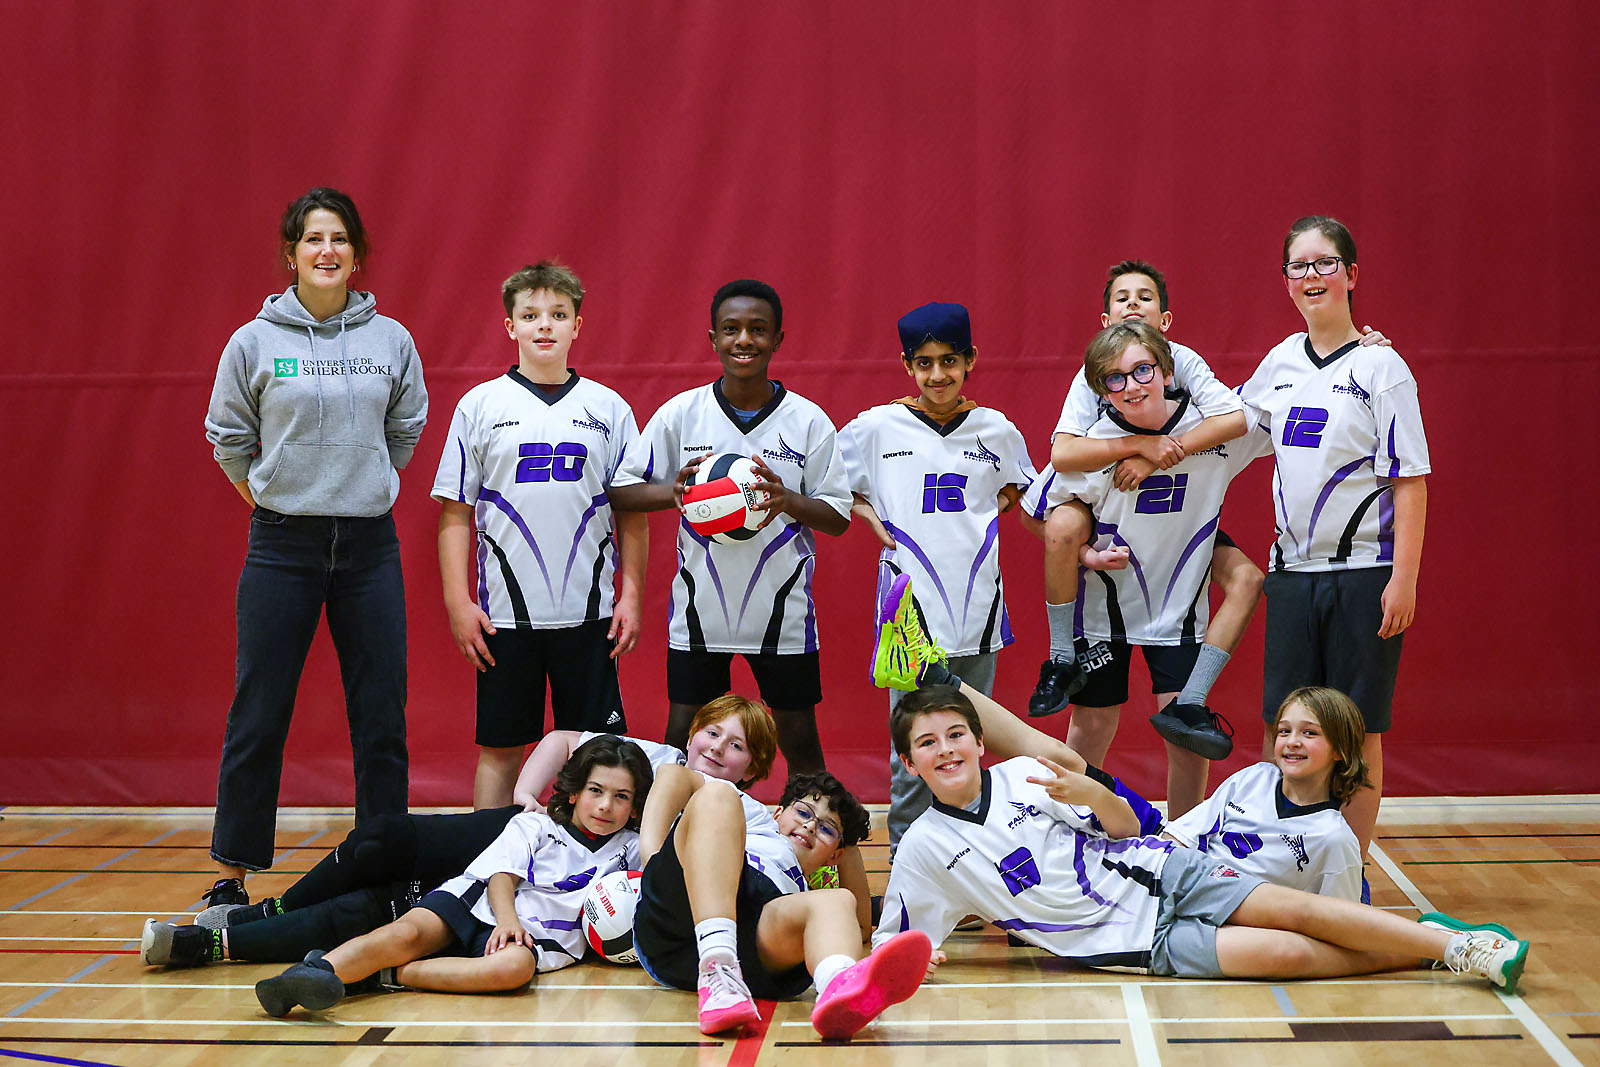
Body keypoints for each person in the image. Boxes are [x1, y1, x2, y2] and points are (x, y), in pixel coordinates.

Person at [876, 685, 1527, 992]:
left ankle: (1462, 945)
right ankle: (1425, 946)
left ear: (979, 740)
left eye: (956, 734)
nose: (946, 749)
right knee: (1289, 957)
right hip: (1124, 942)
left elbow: (1129, 827)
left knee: (1298, 910)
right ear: (909, 763)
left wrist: (1097, 797)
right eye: (927, 743)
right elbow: (893, 943)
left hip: (1162, 870)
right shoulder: (923, 849)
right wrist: (907, 957)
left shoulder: (1024, 774)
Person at [202, 186, 428, 910]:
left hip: (369, 549)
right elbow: (229, 438)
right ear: (292, 254)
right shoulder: (254, 341)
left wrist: (367, 486)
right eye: (312, 239)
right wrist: (276, 501)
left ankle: (384, 867)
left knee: (381, 714)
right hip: (281, 548)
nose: (326, 250)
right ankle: (232, 875)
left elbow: (407, 425)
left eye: (338, 239)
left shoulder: (389, 339)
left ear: (356, 255)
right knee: (259, 709)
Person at [136, 716, 724, 968]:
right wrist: (523, 794)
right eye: (715, 732)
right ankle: (269, 910)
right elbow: (564, 738)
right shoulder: (653, 758)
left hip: (549, 890)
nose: (720, 750)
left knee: (373, 908)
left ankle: (213, 943)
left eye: (739, 747)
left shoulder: (731, 810)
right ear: (694, 730)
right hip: (525, 839)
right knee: (383, 838)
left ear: (753, 771)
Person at [1016, 321, 1271, 817]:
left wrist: (1358, 349)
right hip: (1103, 615)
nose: (1131, 386)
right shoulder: (1095, 444)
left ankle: (1180, 843)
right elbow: (1034, 512)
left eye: (1142, 372)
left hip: (1178, 613)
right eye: (1115, 380)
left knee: (1186, 743)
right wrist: (1086, 553)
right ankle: (1077, 834)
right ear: (1101, 393)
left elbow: (1280, 400)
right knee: (1089, 730)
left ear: (1167, 370)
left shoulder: (1212, 427)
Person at [1237, 216, 1429, 859]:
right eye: (1299, 266)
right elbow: (1227, 425)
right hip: (1291, 574)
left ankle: (1348, 871)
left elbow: (1410, 482)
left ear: (1351, 274)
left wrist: (1402, 579)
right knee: (1282, 722)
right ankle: (1276, 860)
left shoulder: (1383, 368)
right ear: (1286, 280)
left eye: (1324, 264)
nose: (1311, 276)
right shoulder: (1279, 363)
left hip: (1364, 576)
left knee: (1358, 727)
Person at [608, 280, 851, 774]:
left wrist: (787, 500)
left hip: (781, 613)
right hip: (700, 614)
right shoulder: (682, 413)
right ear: (713, 338)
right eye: (732, 329)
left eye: (757, 330)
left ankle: (822, 849)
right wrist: (673, 494)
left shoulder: (807, 420)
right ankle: (668, 847)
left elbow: (839, 517)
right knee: (683, 741)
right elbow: (620, 489)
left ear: (778, 339)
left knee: (799, 739)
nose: (744, 340)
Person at [431, 260, 645, 807]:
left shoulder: (609, 409)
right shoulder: (479, 406)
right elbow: (456, 511)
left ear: (578, 325)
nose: (544, 326)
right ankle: (485, 871)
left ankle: (600, 877)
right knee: (502, 747)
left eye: (558, 314)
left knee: (600, 752)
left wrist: (633, 594)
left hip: (590, 616)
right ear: (510, 327)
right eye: (530, 315)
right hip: (506, 619)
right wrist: (459, 602)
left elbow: (631, 513)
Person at [250, 736, 652, 1016]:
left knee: (512, 970)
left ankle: (386, 975)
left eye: (621, 797)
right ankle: (309, 977)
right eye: (596, 790)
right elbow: (501, 877)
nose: (605, 806)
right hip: (478, 902)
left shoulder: (634, 848)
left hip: (536, 939)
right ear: (574, 792)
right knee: (402, 935)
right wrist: (507, 923)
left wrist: (516, 936)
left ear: (635, 808)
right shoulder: (536, 825)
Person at [837, 301, 1035, 855]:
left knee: (970, 745)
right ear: (907, 366)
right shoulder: (876, 427)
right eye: (924, 363)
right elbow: (831, 482)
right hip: (909, 618)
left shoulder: (996, 430)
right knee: (916, 751)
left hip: (978, 612)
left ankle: (969, 863)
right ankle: (908, 866)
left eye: (949, 361)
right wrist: (869, 514)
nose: (938, 375)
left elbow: (1019, 493)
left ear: (970, 359)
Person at [1023, 261, 1256, 725]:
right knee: (1064, 522)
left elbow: (1252, 413)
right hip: (1112, 531)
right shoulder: (1095, 400)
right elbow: (1064, 454)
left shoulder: (1187, 367)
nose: (1133, 303)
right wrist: (1136, 445)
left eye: (1145, 297)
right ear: (1105, 326)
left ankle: (1191, 703)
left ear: (1166, 335)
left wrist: (1159, 454)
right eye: (1121, 297)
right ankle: (1061, 656)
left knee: (1248, 578)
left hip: (1177, 534)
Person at [632, 731, 930, 1039]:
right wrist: (651, 857)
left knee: (837, 900)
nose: (810, 825)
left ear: (835, 855)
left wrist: (847, 841)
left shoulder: (804, 892)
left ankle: (841, 991)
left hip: (756, 940)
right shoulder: (758, 817)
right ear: (779, 812)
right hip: (681, 908)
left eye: (826, 828)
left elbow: (862, 927)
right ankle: (717, 966)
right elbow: (672, 776)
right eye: (803, 812)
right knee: (718, 796)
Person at [1164, 687, 1367, 899]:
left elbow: (1339, 921)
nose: (1292, 742)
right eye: (1284, 731)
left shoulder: (1334, 838)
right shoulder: (1255, 778)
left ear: (1340, 749)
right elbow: (1179, 837)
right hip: (1185, 889)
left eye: (1309, 733)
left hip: (1235, 921)